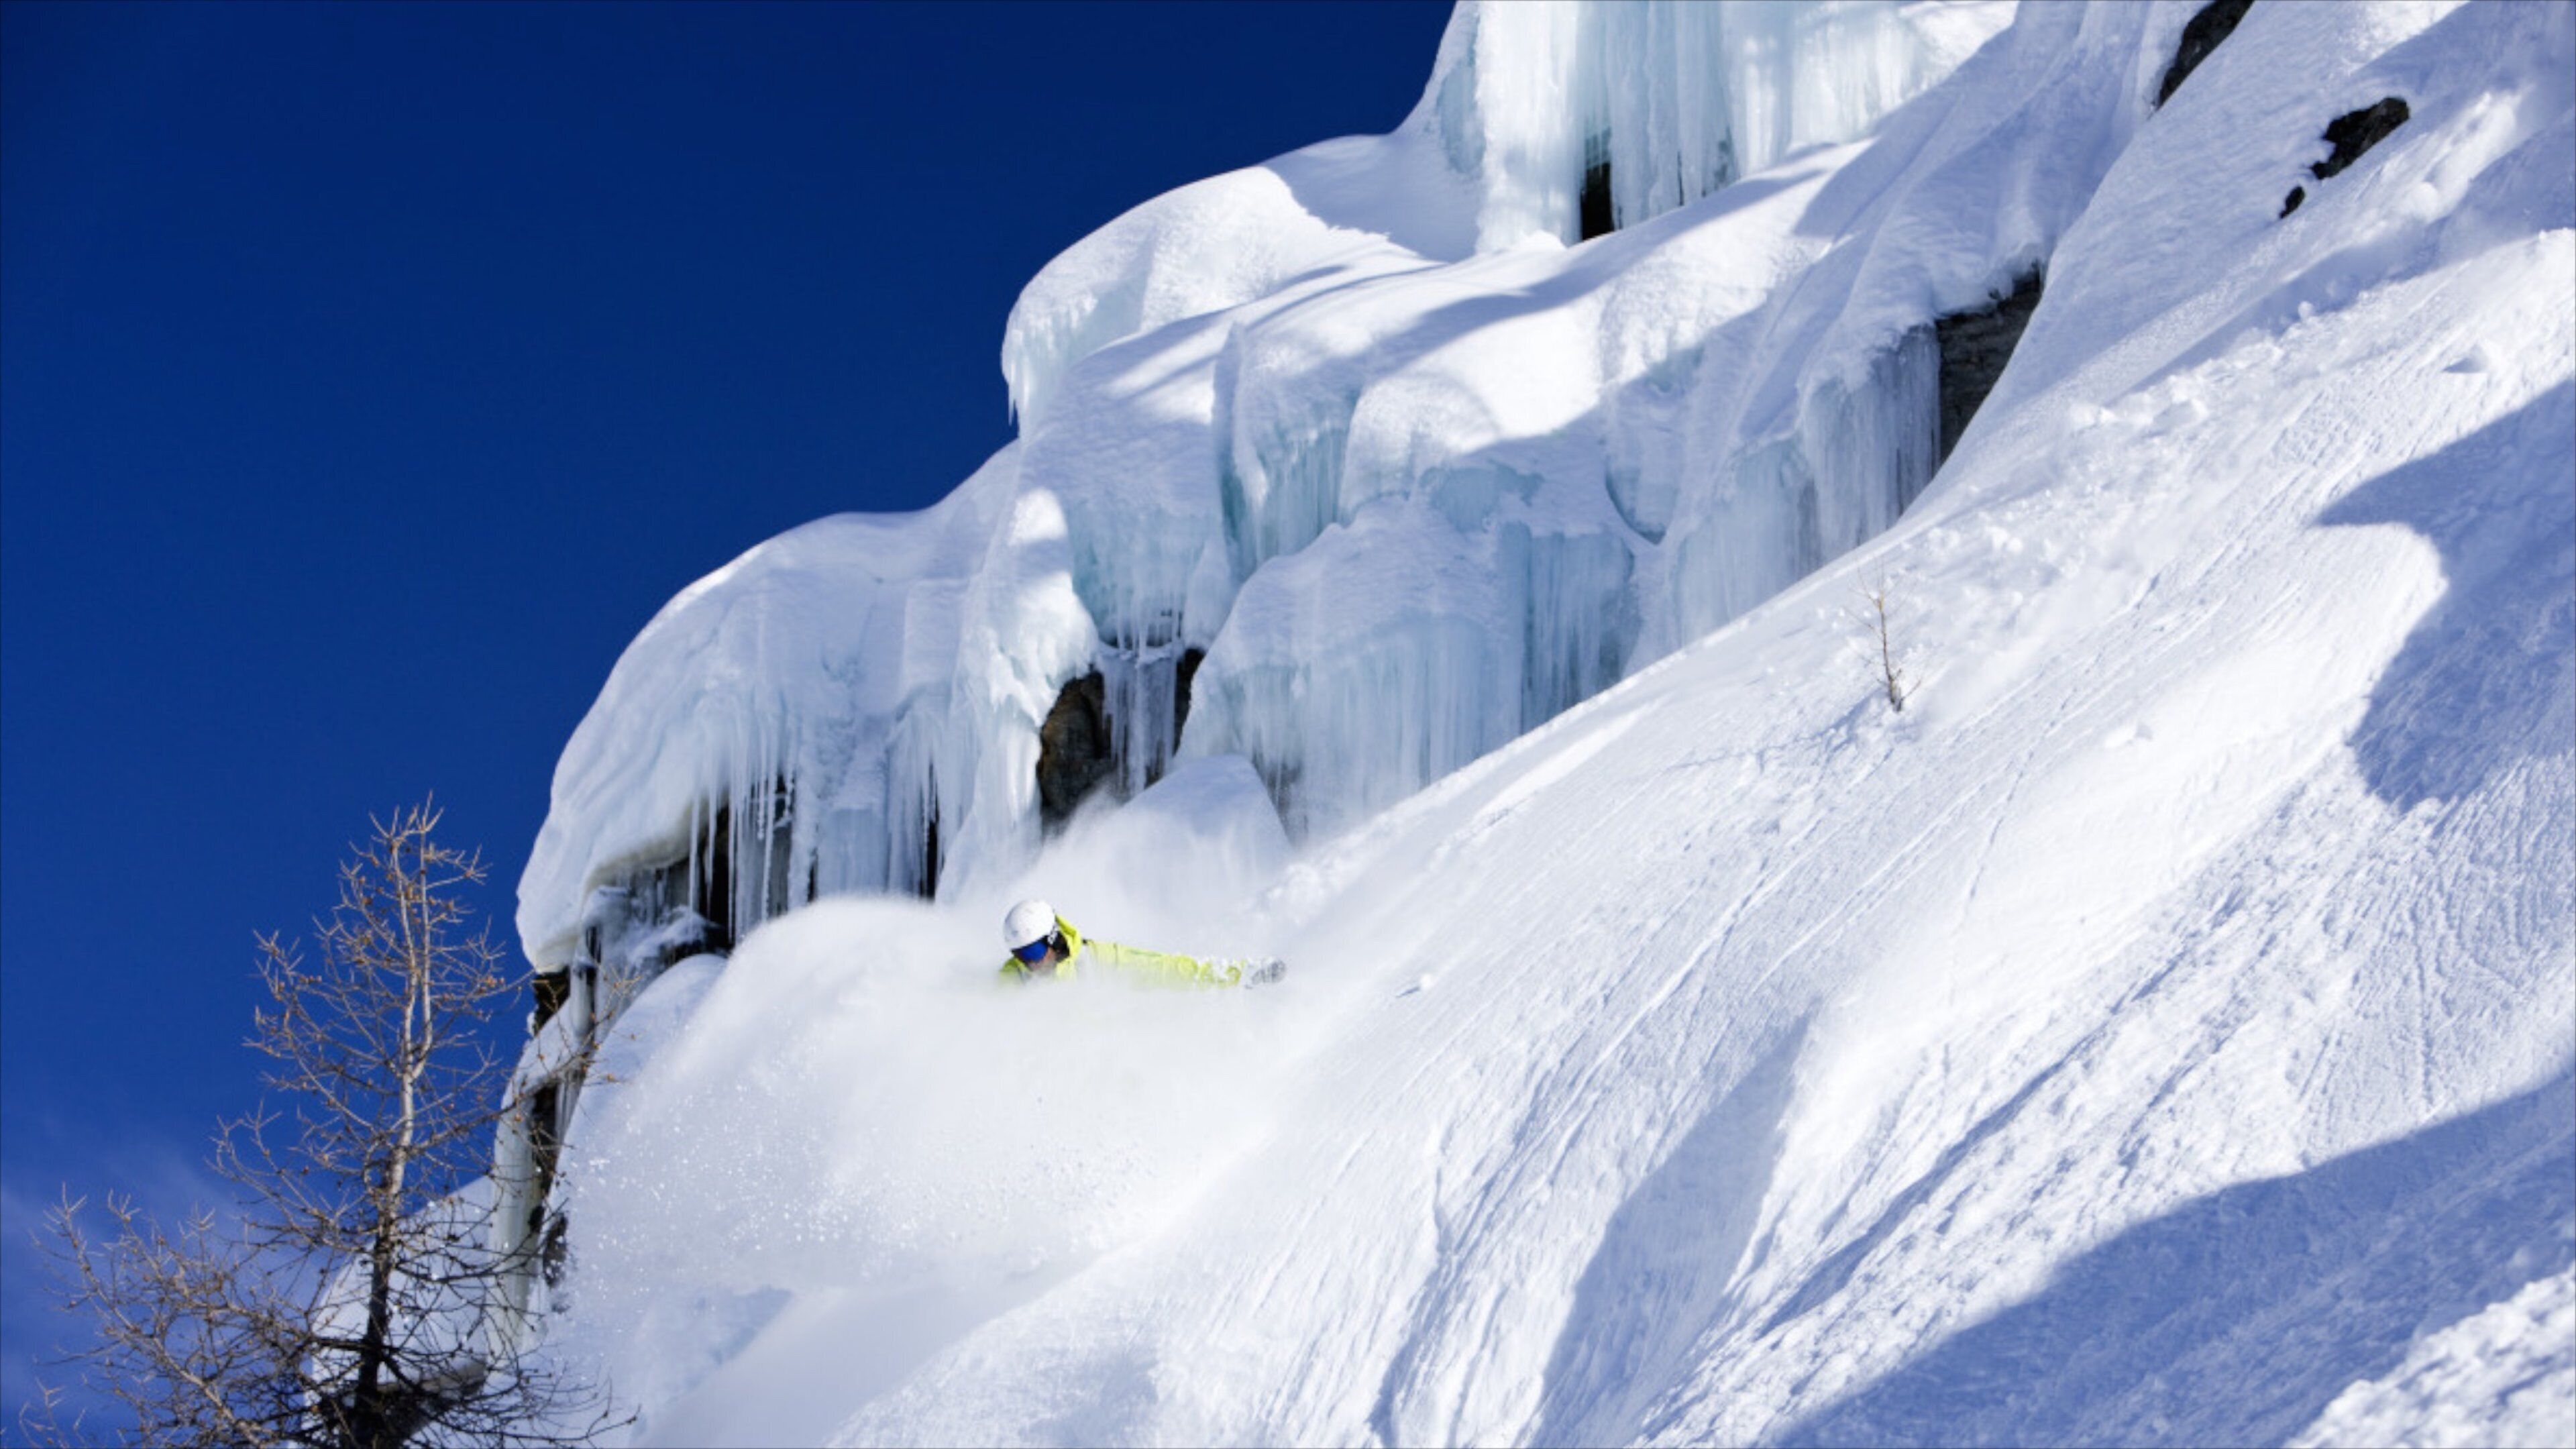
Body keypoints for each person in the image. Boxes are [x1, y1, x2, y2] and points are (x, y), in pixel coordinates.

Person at [1000, 898, 1285, 987]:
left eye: (1034, 952)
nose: (1030, 963)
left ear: (1053, 939)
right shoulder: (1013, 980)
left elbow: (1167, 969)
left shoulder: (1096, 959)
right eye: (1020, 956)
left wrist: (1237, 975)